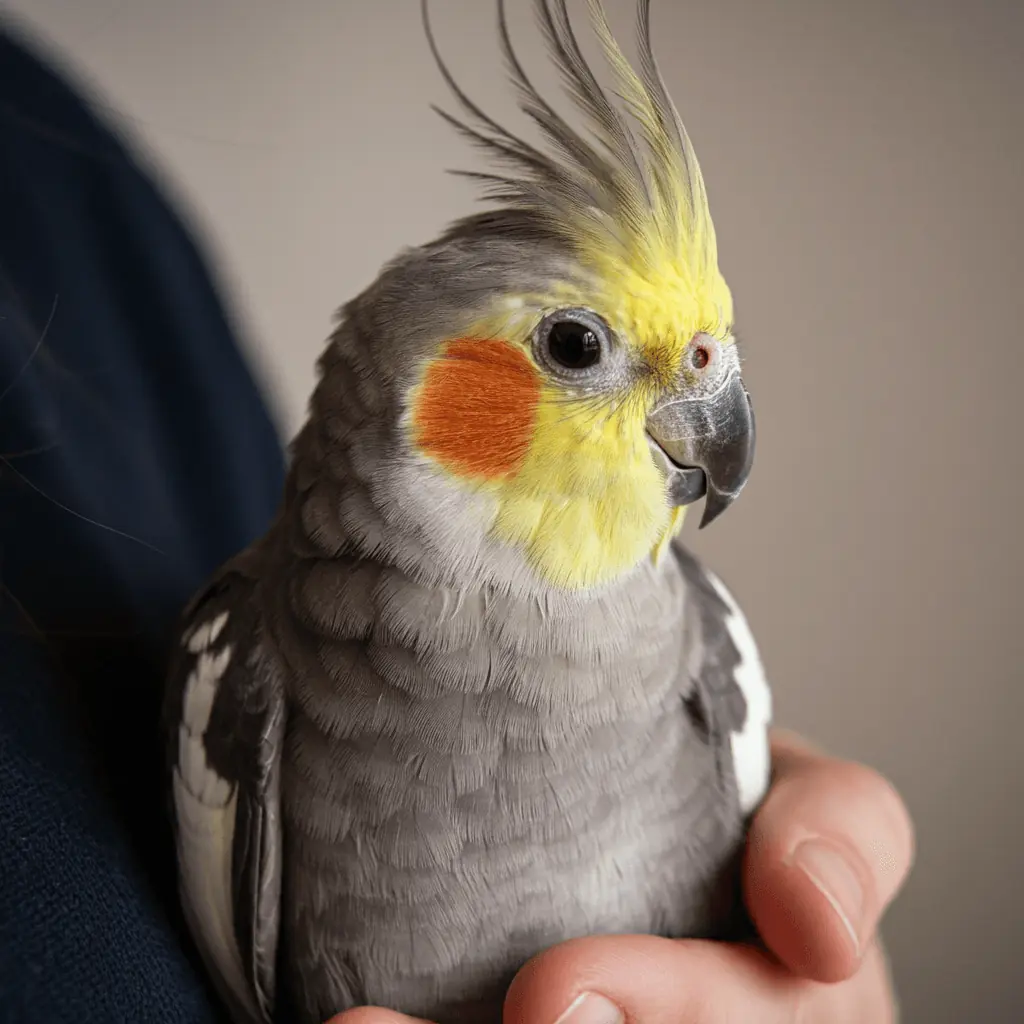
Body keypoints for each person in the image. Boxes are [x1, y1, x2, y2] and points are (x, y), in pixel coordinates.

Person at [0, 19, 914, 1024]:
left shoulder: (708, 647)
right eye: (573, 346)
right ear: (414, 394)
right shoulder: (239, 671)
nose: (706, 396)